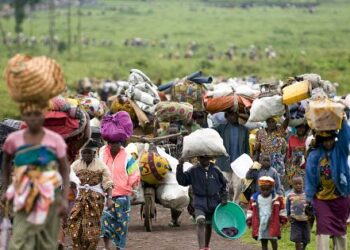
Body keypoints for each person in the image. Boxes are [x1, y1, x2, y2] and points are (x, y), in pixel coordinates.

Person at [1, 108, 70, 250]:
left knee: (46, 243)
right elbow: (6, 164)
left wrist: (63, 199)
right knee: (19, 241)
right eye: (29, 114)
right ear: (23, 116)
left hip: (49, 197)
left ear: (43, 116)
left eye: (37, 114)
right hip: (23, 196)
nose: (33, 118)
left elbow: (65, 170)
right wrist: (6, 189)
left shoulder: (55, 139)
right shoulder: (13, 139)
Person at [305, 121, 350, 250]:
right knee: (323, 231)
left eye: (330, 140)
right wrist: (309, 199)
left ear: (334, 139)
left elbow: (345, 136)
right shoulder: (314, 156)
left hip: (340, 196)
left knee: (340, 231)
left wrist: (343, 120)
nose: (328, 143)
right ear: (320, 141)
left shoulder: (340, 151)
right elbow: (310, 178)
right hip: (322, 199)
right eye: (325, 140)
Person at [68, 144, 114, 250]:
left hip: (95, 200)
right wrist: (72, 183)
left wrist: (110, 199)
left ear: (94, 153)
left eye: (89, 152)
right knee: (74, 221)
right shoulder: (76, 165)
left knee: (92, 227)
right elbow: (68, 178)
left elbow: (108, 182)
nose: (86, 155)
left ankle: (91, 247)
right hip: (78, 198)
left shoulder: (101, 165)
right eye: (84, 152)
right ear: (81, 153)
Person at [177, 156, 228, 250]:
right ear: (198, 159)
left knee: (208, 225)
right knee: (200, 221)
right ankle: (201, 248)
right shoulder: (193, 170)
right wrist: (180, 166)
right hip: (199, 201)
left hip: (213, 201)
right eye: (202, 158)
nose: (204, 160)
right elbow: (182, 181)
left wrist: (224, 197)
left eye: (206, 158)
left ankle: (206, 247)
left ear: (210, 158)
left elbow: (224, 184)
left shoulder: (216, 170)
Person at [99, 139, 140, 250]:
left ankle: (119, 247)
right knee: (105, 221)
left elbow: (133, 174)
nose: (112, 145)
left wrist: (135, 189)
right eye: (110, 143)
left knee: (121, 224)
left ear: (120, 143)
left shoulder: (128, 157)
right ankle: (106, 247)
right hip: (105, 195)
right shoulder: (102, 155)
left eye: (115, 143)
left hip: (122, 196)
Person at [214, 109, 249, 203]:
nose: (233, 117)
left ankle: (235, 204)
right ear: (227, 117)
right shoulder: (221, 128)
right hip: (224, 162)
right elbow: (209, 130)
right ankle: (225, 203)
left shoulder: (244, 130)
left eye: (235, 115)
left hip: (239, 162)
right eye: (231, 115)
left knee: (238, 186)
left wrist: (247, 161)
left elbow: (246, 148)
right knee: (225, 185)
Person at [246, 176, 287, 250]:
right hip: (261, 224)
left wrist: (282, 220)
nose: (265, 191)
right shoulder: (254, 199)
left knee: (274, 240)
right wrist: (249, 220)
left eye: (267, 189)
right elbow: (250, 210)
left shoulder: (276, 198)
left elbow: (282, 210)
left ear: (271, 188)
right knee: (263, 242)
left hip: (273, 223)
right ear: (259, 188)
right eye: (263, 189)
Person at [254, 107, 290, 181]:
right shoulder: (260, 133)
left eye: (273, 121)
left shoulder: (279, 131)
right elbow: (257, 151)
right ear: (266, 122)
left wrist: (286, 106)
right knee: (265, 183)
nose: (271, 124)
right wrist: (255, 164)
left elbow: (288, 119)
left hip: (277, 163)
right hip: (264, 162)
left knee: (278, 183)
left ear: (276, 122)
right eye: (268, 121)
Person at [286, 176, 311, 250]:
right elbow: (288, 207)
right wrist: (288, 215)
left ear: (303, 184)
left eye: (300, 183)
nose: (298, 185)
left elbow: (311, 206)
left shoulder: (307, 195)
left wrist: (311, 216)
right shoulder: (290, 196)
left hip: (306, 221)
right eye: (296, 184)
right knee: (297, 239)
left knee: (306, 239)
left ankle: (303, 247)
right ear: (292, 185)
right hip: (295, 221)